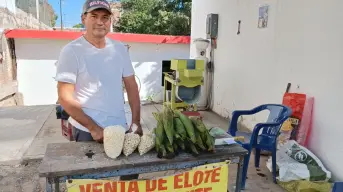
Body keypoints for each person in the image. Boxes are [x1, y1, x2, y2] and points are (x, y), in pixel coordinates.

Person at [55, 0, 142, 180]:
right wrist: (93, 128)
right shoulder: (71, 51)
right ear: (83, 19)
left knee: (130, 177)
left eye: (105, 17)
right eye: (94, 16)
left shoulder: (119, 49)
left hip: (121, 127)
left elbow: (132, 87)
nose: (100, 22)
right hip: (87, 131)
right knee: (89, 182)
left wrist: (136, 122)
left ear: (110, 21)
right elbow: (64, 97)